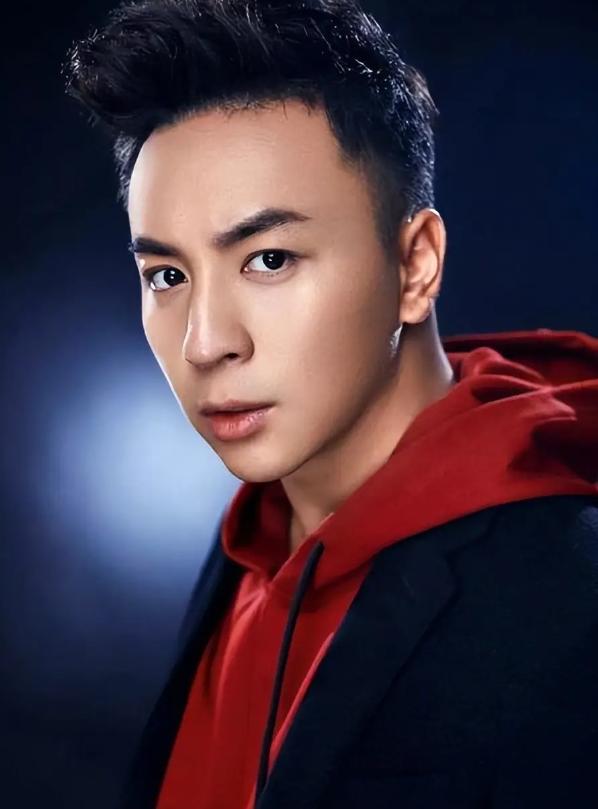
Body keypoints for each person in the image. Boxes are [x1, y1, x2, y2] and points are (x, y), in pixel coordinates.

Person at [63, 1, 598, 807]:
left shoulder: (568, 602)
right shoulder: (250, 542)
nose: (205, 342)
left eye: (269, 259)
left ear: (415, 265)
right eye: (167, 275)